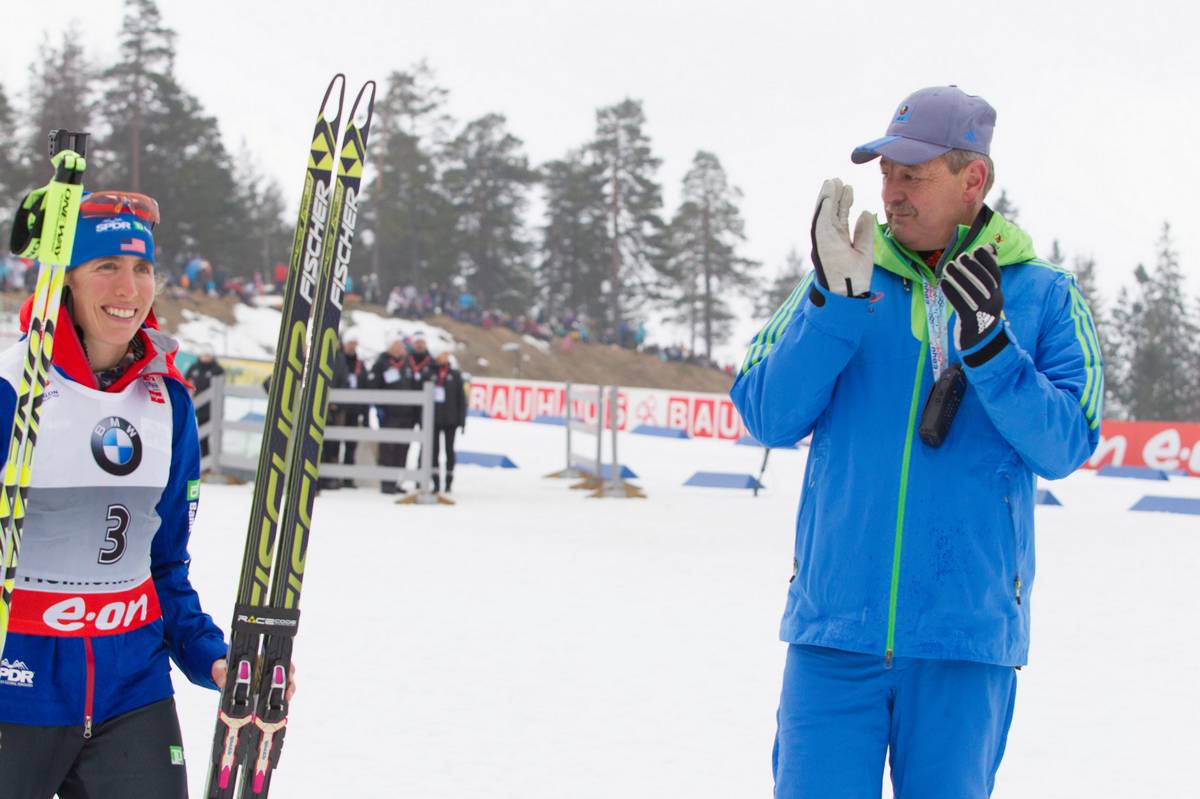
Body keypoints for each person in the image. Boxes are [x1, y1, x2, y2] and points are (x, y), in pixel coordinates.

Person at [730, 86, 1103, 798]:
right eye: (886, 174)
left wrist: (992, 349)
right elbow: (765, 415)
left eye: (913, 174)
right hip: (834, 636)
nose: (892, 193)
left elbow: (1067, 444)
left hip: (966, 640)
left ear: (973, 179)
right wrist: (832, 307)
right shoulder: (845, 278)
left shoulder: (1045, 295)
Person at [0, 188, 282, 798]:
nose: (128, 289)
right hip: (15, 686)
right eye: (106, 268)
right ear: (66, 281)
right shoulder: (8, 391)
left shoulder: (168, 402)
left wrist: (208, 653)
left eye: (142, 268)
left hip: (134, 688)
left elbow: (163, 564)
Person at [370, 336, 412, 494]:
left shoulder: (406, 364)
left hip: (406, 415)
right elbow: (373, 386)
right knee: (388, 449)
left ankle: (397, 481)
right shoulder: (381, 363)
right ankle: (386, 482)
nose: (400, 349)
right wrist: (379, 407)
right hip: (389, 414)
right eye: (397, 346)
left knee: (402, 450)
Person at [429, 349, 466, 493]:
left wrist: (462, 421)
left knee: (449, 451)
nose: (444, 357)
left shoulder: (455, 375)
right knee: (434, 451)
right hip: (434, 419)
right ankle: (436, 481)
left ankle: (449, 481)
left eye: (446, 355)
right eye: (442, 354)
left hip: (451, 420)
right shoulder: (430, 373)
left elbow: (461, 400)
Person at [184, 343, 225, 460]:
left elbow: (220, 387)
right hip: (196, 407)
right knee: (197, 435)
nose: (205, 357)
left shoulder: (217, 369)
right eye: (204, 355)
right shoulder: (194, 368)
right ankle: (198, 459)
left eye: (208, 355)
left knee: (213, 435)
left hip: (212, 408)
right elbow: (186, 382)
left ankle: (211, 461)